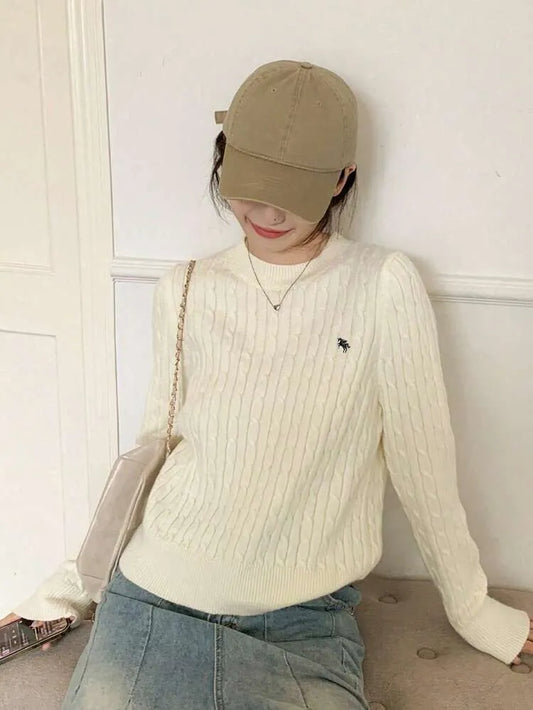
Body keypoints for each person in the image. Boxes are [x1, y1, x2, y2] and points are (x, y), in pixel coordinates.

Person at [2, 59, 532, 709]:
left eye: (293, 190)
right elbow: (152, 450)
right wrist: (70, 589)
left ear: (342, 178)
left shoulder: (382, 284)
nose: (266, 210)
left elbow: (422, 462)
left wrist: (472, 608)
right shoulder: (186, 287)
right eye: (249, 183)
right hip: (155, 595)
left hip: (303, 621)